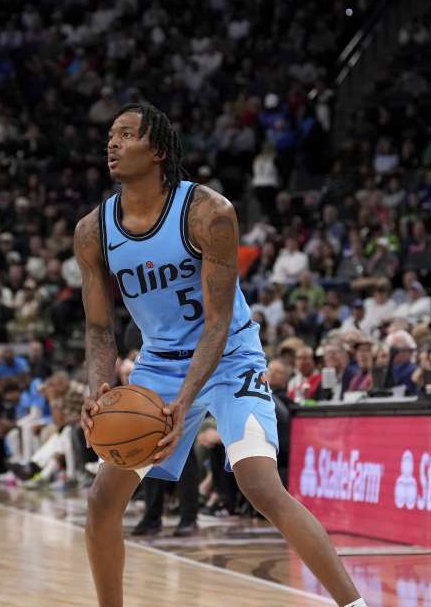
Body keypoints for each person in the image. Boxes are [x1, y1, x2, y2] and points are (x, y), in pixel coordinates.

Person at [75, 104, 361, 606]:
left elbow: (218, 321)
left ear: (158, 149)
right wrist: (100, 386)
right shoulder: (93, 231)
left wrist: (185, 402)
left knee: (260, 485)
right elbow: (99, 328)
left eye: (126, 135)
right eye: (110, 136)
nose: (112, 144)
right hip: (159, 362)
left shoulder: (210, 213)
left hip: (228, 355)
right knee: (101, 502)